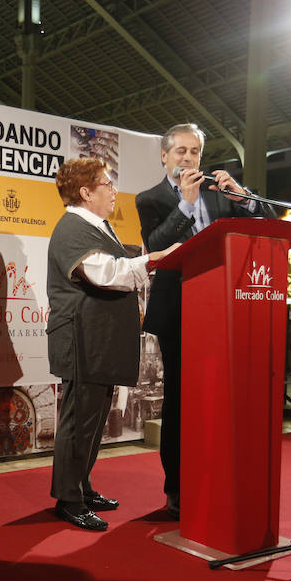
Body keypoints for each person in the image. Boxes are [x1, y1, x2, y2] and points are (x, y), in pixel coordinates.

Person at [137, 123, 276, 519]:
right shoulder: (151, 198)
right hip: (179, 312)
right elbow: (159, 246)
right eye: (180, 151)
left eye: (194, 152)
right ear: (165, 156)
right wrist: (185, 202)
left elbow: (265, 222)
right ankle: (177, 490)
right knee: (181, 402)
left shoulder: (219, 193)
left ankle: (217, 477)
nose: (188, 158)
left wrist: (243, 198)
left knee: (221, 399)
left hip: (226, 310)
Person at [47, 157, 178, 531]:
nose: (113, 189)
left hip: (98, 340)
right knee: (79, 421)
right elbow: (104, 273)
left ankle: (82, 486)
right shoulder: (72, 227)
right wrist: (152, 259)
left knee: (93, 419)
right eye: (106, 183)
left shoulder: (96, 226)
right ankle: (68, 499)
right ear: (85, 192)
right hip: (82, 339)